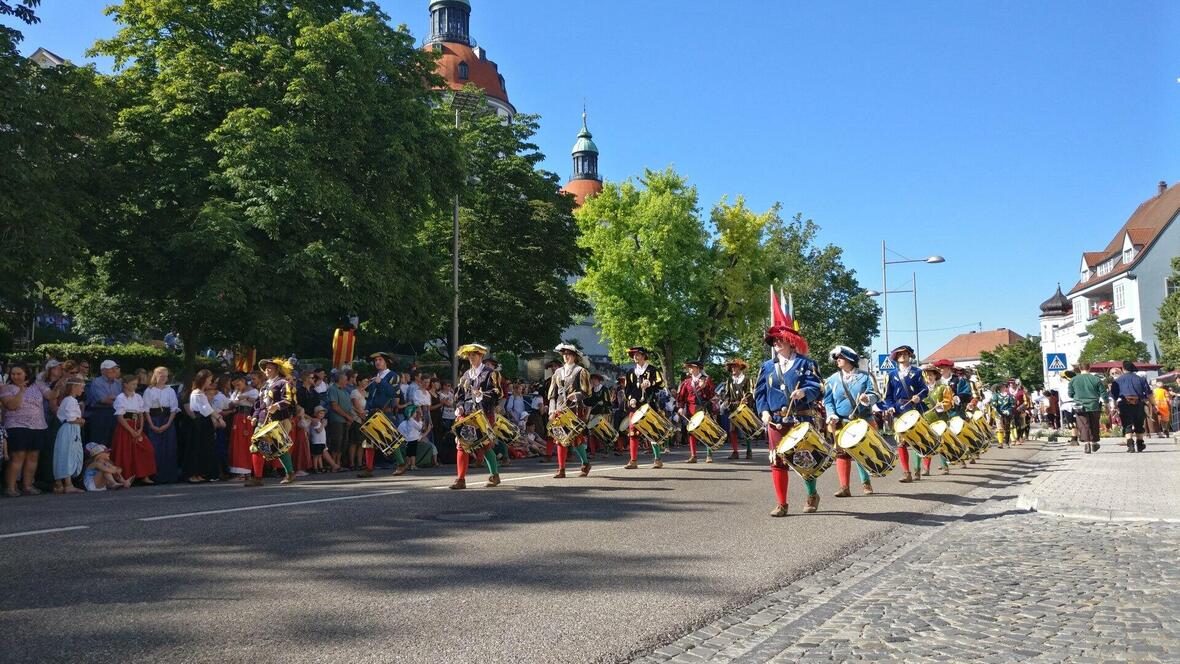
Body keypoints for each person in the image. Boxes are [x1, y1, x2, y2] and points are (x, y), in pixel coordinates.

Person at [756, 324, 821, 517]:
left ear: (790, 342)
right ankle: (782, 503)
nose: (775, 343)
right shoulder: (767, 366)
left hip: (800, 417)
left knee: (805, 459)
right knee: (777, 460)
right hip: (776, 419)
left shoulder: (806, 363)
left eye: (779, 339)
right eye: (773, 340)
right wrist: (764, 411)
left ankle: (811, 495)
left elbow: (818, 387)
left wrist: (804, 392)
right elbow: (760, 393)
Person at [823, 346, 881, 504]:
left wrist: (868, 398)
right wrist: (831, 414)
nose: (837, 360)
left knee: (861, 452)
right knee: (841, 453)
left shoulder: (865, 377)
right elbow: (827, 401)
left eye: (840, 357)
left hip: (862, 419)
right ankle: (844, 487)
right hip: (841, 421)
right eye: (836, 358)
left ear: (849, 359)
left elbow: (876, 394)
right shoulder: (832, 379)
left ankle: (866, 482)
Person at [450, 343, 502, 490]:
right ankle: (460, 479)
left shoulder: (490, 373)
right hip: (466, 414)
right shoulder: (466, 375)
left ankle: (494, 475)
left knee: (484, 446)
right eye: (469, 356)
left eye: (474, 355)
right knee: (462, 445)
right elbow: (460, 395)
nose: (471, 358)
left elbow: (498, 394)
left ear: (481, 356)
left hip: (483, 413)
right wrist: (459, 407)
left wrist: (482, 396)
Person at [880, 345, 928, 485]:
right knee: (900, 442)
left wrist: (919, 397)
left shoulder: (917, 372)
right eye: (900, 354)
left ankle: (917, 469)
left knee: (916, 440)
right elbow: (887, 396)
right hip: (899, 411)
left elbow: (924, 390)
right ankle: (906, 472)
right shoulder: (891, 375)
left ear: (909, 356)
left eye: (905, 354)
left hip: (914, 409)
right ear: (895, 358)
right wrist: (890, 407)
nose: (903, 356)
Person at [247, 358, 297, 486]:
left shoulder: (283, 382)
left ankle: (290, 473)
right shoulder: (264, 386)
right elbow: (259, 405)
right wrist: (254, 416)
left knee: (279, 448)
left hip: (277, 420)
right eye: (266, 368)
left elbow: (288, 400)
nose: (266, 370)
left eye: (270, 368)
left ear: (277, 370)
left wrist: (277, 406)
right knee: (255, 447)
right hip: (262, 421)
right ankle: (257, 478)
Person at [2, 363, 49, 497]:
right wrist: (21, 391)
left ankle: (28, 485)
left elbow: (50, 395)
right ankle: (10, 487)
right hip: (16, 426)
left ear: (26, 374)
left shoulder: (37, 385)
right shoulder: (7, 388)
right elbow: (11, 405)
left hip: (38, 425)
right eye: (13, 374)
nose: (15, 376)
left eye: (19, 374)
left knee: (33, 457)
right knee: (18, 457)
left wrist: (59, 386)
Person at [547, 344, 592, 478]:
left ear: (575, 356)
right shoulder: (557, 372)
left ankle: (585, 463)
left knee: (576, 439)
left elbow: (587, 391)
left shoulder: (580, 371)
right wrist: (551, 410)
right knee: (560, 438)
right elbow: (552, 394)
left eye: (569, 354)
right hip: (560, 409)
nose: (566, 357)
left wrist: (577, 395)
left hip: (575, 409)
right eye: (564, 355)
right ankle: (561, 469)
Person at [620, 347, 665, 470]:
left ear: (644, 356)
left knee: (652, 431)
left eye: (638, 354)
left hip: (649, 404)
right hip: (635, 406)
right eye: (634, 355)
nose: (635, 356)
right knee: (632, 432)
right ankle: (633, 460)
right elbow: (628, 389)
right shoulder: (630, 372)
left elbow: (661, 383)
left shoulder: (652, 370)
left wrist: (650, 383)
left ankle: (657, 459)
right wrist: (631, 399)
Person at [112, 373, 155, 485]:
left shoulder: (138, 397)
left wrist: (140, 428)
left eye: (136, 384)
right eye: (133, 384)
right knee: (126, 452)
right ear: (125, 385)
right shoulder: (120, 398)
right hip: (125, 427)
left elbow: (141, 413)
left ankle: (144, 475)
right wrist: (131, 431)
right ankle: (126, 476)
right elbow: (120, 417)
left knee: (147, 449)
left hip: (136, 426)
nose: (135, 386)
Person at [143, 367, 181, 483]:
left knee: (169, 447)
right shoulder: (149, 390)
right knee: (155, 448)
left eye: (165, 376)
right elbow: (146, 410)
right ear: (155, 376)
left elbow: (174, 409)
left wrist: (168, 423)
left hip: (167, 421)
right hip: (154, 421)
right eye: (161, 376)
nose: (163, 378)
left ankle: (169, 476)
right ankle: (156, 476)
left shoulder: (170, 390)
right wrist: (152, 425)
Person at [52, 376, 87, 494]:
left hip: (72, 429)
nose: (82, 390)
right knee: (67, 454)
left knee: (69, 453)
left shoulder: (71, 400)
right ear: (75, 387)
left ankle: (62, 483)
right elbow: (71, 419)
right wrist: (81, 420)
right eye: (81, 387)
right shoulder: (70, 400)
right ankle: (68, 484)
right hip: (69, 430)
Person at [677, 360, 717, 464]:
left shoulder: (707, 380)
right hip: (691, 409)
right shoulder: (686, 382)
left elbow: (712, 395)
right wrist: (680, 407)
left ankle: (709, 455)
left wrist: (705, 387)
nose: (690, 368)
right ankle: (693, 455)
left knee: (707, 431)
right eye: (689, 367)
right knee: (691, 432)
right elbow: (681, 397)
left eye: (692, 367)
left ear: (698, 368)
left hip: (704, 407)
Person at [186, 370, 222, 483]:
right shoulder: (197, 393)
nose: (210, 381)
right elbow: (205, 409)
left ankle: (200, 472)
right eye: (209, 379)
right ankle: (193, 473)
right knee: (197, 447)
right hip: (200, 421)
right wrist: (218, 418)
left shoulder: (200, 392)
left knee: (204, 447)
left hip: (203, 421)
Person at [1068, 362, 1108, 454]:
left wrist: (1077, 396)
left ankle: (1087, 444)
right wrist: (1106, 402)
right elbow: (1103, 393)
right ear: (1089, 368)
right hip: (1094, 405)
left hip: (1080, 406)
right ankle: (1094, 442)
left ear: (1079, 368)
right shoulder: (1096, 379)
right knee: (1094, 424)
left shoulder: (1073, 380)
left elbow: (1070, 394)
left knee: (1083, 425)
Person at [1111, 360, 1150, 453]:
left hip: (1124, 404)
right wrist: (1153, 404)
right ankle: (1140, 444)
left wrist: (1115, 406)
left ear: (1123, 369)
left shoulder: (1117, 381)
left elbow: (1113, 396)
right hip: (1138, 403)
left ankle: (1130, 444)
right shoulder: (1141, 379)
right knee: (1139, 424)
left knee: (1127, 424)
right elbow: (1149, 394)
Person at [720, 358, 755, 460]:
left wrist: (746, 398)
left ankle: (749, 451)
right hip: (733, 408)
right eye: (732, 367)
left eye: (735, 366)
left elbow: (750, 392)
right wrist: (726, 401)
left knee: (746, 429)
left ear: (740, 368)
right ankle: (735, 452)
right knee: (732, 430)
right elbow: (726, 394)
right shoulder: (729, 380)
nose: (733, 368)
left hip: (744, 407)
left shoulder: (747, 379)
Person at [85, 359, 123, 447]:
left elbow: (122, 399)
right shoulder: (97, 381)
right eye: (111, 368)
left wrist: (113, 398)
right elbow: (103, 400)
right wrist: (116, 399)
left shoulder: (118, 383)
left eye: (115, 368)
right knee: (99, 443)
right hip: (100, 414)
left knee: (113, 442)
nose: (114, 370)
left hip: (115, 414)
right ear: (103, 371)